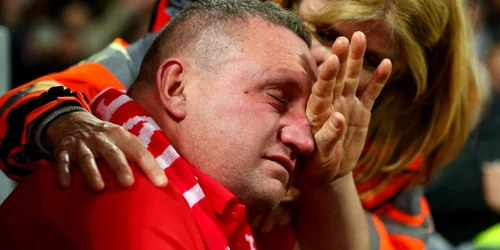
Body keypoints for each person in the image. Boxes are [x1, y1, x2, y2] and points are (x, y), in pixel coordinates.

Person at [0, 0, 480, 249]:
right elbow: (30, 99)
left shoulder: (399, 135)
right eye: (325, 31)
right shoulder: (212, 41)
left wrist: (327, 183)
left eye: (369, 58)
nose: (330, 60)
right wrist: (67, 122)